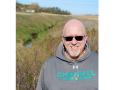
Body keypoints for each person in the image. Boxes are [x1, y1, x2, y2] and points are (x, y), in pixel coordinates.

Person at [36, 19, 98, 90]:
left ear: (85, 38)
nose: (74, 42)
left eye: (79, 38)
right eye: (68, 38)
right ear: (63, 39)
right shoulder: (48, 66)